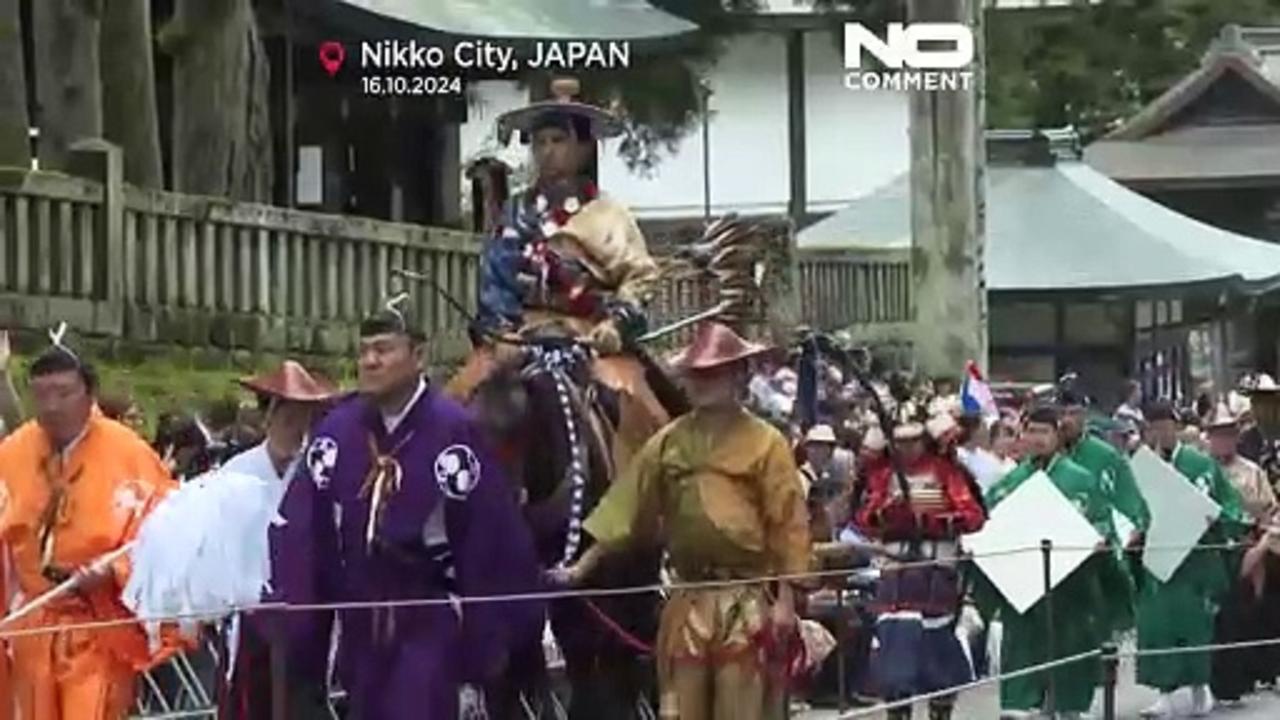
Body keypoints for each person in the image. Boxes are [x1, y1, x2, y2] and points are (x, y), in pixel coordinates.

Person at [271, 304, 544, 719]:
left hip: (428, 623)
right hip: (358, 626)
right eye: (363, 351)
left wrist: (486, 642)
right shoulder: (337, 434)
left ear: (418, 356)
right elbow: (304, 533)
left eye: (383, 349)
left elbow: (489, 540)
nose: (369, 361)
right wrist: (303, 627)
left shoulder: (455, 432)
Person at [559, 322, 810, 720]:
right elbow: (625, 509)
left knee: (740, 710)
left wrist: (786, 602)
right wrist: (579, 569)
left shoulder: (768, 443)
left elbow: (789, 524)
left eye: (713, 373)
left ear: (737, 376)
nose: (703, 382)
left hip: (745, 599)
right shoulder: (669, 441)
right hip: (688, 598)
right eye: (697, 374)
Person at [445, 76, 668, 469]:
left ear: (583, 148)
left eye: (559, 141)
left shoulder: (609, 214)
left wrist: (616, 326)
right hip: (520, 336)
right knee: (455, 402)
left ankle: (647, 502)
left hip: (590, 337)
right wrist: (501, 332)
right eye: (540, 142)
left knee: (643, 412)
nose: (548, 152)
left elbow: (641, 277)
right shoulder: (514, 213)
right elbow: (495, 279)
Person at [0, 334, 180, 719]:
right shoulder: (13, 451)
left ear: (89, 393)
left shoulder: (128, 452)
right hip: (32, 625)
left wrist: (114, 571)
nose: (51, 406)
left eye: (63, 393)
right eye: (41, 395)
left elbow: (164, 531)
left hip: (95, 626)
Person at [976, 405, 1118, 720]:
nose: (1037, 439)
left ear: (1058, 436)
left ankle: (1071, 706)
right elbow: (989, 524)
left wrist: (1098, 540)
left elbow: (1102, 521)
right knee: (1022, 641)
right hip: (1023, 582)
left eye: (1045, 432)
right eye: (1031, 431)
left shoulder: (1080, 479)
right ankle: (1019, 703)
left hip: (1070, 582)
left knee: (1071, 641)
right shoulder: (1009, 482)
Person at [216, 361, 339, 719]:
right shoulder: (235, 474)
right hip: (251, 619)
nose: (298, 431)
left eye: (306, 420)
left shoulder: (320, 473)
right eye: (289, 419)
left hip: (308, 619)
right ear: (267, 418)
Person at [854, 409, 986, 720]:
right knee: (894, 650)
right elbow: (863, 518)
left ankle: (940, 712)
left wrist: (931, 516)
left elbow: (973, 515)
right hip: (895, 575)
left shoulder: (946, 472)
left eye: (913, 441)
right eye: (900, 442)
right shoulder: (883, 475)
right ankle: (897, 711)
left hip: (936, 572)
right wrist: (889, 513)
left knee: (936, 647)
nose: (907, 448)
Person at [1137, 401, 1250, 719]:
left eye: (1166, 425)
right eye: (1154, 426)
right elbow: (1133, 508)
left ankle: (1202, 687)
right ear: (1148, 430)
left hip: (1195, 559)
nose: (1161, 432)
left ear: (1177, 426)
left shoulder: (1201, 464)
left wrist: (1218, 519)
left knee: (1195, 626)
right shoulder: (1143, 467)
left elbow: (1227, 503)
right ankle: (1165, 692)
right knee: (1157, 626)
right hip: (1158, 556)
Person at [1058, 388, 1150, 637]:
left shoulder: (1105, 456)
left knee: (1101, 628)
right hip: (1055, 554)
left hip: (1099, 552)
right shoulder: (1045, 457)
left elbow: (1129, 502)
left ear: (1084, 415)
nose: (1067, 420)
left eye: (1073, 413)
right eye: (1062, 413)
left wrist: (1130, 529)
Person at [1205, 404, 1277, 707]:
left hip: (1248, 548)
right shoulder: (1200, 470)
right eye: (1216, 436)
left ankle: (1244, 679)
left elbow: (1269, 515)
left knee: (1246, 615)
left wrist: (1261, 548)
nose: (1223, 442)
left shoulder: (1252, 473)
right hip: (1209, 550)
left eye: (1228, 435)